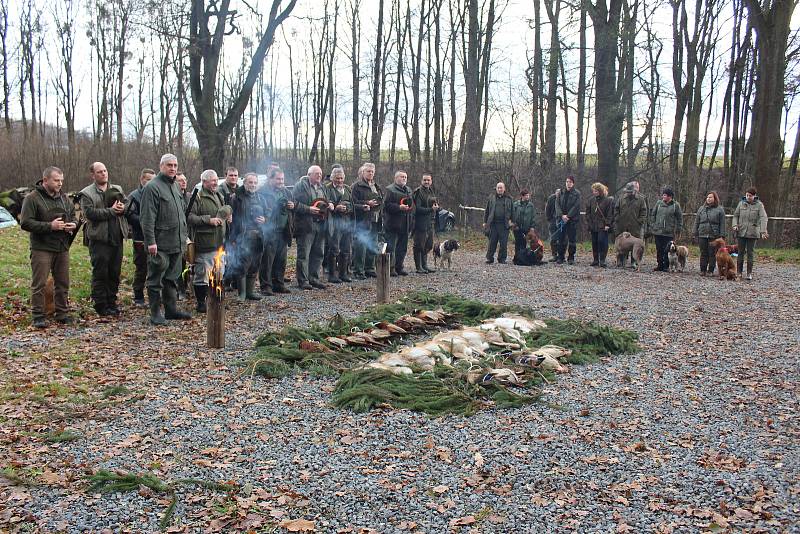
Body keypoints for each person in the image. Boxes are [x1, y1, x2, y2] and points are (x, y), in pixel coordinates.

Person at [20, 166, 77, 328]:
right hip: (41, 248)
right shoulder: (32, 198)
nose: (60, 184)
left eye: (61, 181)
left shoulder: (64, 198)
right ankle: (38, 315)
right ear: (45, 180)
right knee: (40, 283)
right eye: (56, 180)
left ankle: (62, 313)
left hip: (62, 246)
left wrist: (72, 224)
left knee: (62, 282)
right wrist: (50, 226)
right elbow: (25, 223)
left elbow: (72, 215)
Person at [140, 153, 192, 325]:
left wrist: (184, 237)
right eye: (169, 165)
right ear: (161, 166)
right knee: (155, 279)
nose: (173, 168)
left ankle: (171, 310)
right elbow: (147, 218)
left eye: (175, 165)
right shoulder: (152, 188)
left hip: (176, 242)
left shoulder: (176, 186)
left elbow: (181, 214)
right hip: (160, 244)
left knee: (172, 277)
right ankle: (155, 313)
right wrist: (151, 241)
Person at [79, 162, 129, 316]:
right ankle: (100, 304)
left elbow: (126, 203)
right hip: (99, 238)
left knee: (114, 272)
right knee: (101, 272)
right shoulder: (86, 193)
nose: (103, 174)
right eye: (99, 172)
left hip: (117, 236)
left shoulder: (117, 189)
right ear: (93, 175)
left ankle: (111, 301)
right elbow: (90, 214)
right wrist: (111, 211)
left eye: (105, 171)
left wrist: (122, 209)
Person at [187, 170, 228, 312]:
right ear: (204, 182)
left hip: (219, 243)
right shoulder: (196, 196)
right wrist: (208, 220)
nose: (215, 183)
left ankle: (216, 301)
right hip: (204, 243)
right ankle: (201, 303)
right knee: (203, 275)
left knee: (219, 272)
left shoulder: (219, 195)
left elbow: (223, 212)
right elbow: (189, 217)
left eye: (216, 180)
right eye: (212, 180)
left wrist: (228, 217)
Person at [293, 165, 332, 289]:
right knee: (304, 254)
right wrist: (308, 209)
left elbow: (327, 201)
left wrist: (330, 204)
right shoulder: (300, 186)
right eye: (316, 174)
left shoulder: (323, 187)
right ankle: (303, 281)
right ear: (309, 174)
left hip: (321, 225)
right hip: (305, 225)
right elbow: (294, 204)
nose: (319, 176)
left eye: (320, 174)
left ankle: (314, 278)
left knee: (318, 253)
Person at [230, 172, 268, 300]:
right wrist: (233, 238)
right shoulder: (236, 197)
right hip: (243, 236)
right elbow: (232, 219)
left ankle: (250, 293)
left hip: (258, 236)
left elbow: (268, 213)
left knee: (255, 264)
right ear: (245, 183)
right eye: (250, 182)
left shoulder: (261, 198)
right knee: (242, 265)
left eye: (255, 183)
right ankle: (241, 294)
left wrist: (265, 219)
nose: (253, 185)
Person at [259, 167, 294, 294]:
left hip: (283, 231)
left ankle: (279, 284)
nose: (281, 181)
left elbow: (292, 205)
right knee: (268, 260)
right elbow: (260, 209)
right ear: (270, 179)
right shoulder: (262, 192)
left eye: (282, 179)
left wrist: (292, 206)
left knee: (281, 259)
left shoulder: (286, 191)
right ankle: (266, 286)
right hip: (269, 231)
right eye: (278, 179)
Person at [125, 168, 155, 306]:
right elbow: (129, 215)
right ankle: (138, 296)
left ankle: (154, 295)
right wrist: (146, 221)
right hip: (140, 237)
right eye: (148, 179)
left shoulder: (156, 194)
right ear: (141, 179)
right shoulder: (134, 196)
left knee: (155, 267)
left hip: (156, 237)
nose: (150, 182)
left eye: (153, 180)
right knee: (141, 268)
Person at [351, 163, 383, 279]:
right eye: (368, 171)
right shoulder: (356, 186)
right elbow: (352, 203)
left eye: (372, 171)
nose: (371, 173)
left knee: (372, 245)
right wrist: (365, 204)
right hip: (362, 221)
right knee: (361, 246)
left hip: (375, 220)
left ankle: (369, 268)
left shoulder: (376, 186)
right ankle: (358, 270)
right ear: (363, 172)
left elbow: (380, 200)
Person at [732, 187, 768, 281]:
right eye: (747, 195)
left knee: (750, 253)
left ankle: (749, 273)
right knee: (740, 252)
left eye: (750, 196)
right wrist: (735, 225)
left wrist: (763, 231)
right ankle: (739, 272)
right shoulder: (741, 203)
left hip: (753, 232)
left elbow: (763, 218)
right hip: (741, 232)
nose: (748, 197)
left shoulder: (759, 205)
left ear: (754, 196)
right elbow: (736, 215)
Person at [325, 167, 354, 283]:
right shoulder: (327, 188)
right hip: (334, 223)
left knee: (346, 249)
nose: (340, 180)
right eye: (337, 178)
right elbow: (325, 203)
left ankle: (343, 274)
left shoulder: (347, 189)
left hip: (347, 223)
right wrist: (336, 207)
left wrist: (347, 208)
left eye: (341, 178)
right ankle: (332, 275)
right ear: (332, 178)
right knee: (334, 249)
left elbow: (352, 205)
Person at [383, 170, 413, 276]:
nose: (404, 179)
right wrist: (398, 207)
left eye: (405, 177)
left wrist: (409, 210)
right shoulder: (389, 189)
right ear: (396, 178)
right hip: (393, 223)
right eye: (402, 177)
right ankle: (391, 269)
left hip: (405, 224)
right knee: (391, 247)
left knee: (402, 248)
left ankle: (399, 267)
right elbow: (385, 205)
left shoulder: (409, 190)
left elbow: (411, 205)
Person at [613, 182, 648, 268]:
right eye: (627, 191)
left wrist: (640, 221)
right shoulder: (621, 198)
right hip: (622, 225)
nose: (628, 193)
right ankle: (621, 262)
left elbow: (644, 211)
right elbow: (616, 209)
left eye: (630, 191)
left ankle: (634, 262)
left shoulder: (640, 199)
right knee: (622, 245)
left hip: (635, 226)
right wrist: (617, 219)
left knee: (635, 245)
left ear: (634, 191)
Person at [693, 191, 726, 276]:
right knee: (703, 252)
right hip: (702, 234)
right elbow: (697, 221)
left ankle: (710, 270)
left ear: (715, 198)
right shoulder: (701, 209)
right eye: (707, 197)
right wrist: (695, 232)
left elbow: (722, 223)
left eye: (710, 197)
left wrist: (722, 235)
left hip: (714, 235)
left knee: (712, 253)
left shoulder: (720, 209)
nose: (708, 199)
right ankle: (702, 269)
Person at [650, 187, 683, 272]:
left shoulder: (676, 205)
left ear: (670, 196)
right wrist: (653, 225)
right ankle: (659, 265)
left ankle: (666, 266)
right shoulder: (659, 203)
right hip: (658, 231)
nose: (663, 196)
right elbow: (653, 214)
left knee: (667, 249)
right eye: (663, 195)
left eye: (665, 195)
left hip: (668, 232)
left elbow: (679, 218)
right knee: (659, 249)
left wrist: (678, 229)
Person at [412, 172, 438, 274]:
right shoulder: (418, 192)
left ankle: (425, 265)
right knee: (419, 245)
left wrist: (436, 208)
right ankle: (419, 267)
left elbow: (433, 204)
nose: (426, 182)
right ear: (421, 181)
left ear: (431, 181)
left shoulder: (431, 191)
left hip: (429, 222)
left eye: (428, 180)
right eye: (425, 180)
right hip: (420, 222)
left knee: (428, 245)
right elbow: (417, 209)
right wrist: (431, 209)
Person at [483, 182, 513, 264]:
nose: (500, 189)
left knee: (503, 243)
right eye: (498, 188)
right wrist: (485, 222)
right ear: (496, 189)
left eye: (501, 188)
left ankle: (502, 259)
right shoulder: (491, 198)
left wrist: (512, 221)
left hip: (504, 224)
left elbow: (512, 211)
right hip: (493, 224)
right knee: (492, 242)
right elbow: (487, 210)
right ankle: (489, 258)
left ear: (504, 189)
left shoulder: (509, 199)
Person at [586, 182, 614, 268]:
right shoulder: (591, 200)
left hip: (603, 225)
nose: (594, 192)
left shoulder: (608, 200)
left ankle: (602, 260)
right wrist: (589, 223)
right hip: (593, 225)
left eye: (596, 191)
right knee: (594, 242)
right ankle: (595, 260)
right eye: (593, 191)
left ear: (600, 191)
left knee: (602, 242)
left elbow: (610, 213)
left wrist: (608, 224)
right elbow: (588, 212)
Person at [556, 175, 581, 265]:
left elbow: (576, 206)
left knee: (572, 240)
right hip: (561, 219)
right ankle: (560, 257)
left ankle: (571, 257)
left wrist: (568, 216)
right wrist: (562, 215)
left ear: (573, 183)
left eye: (570, 182)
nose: (568, 183)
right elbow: (557, 205)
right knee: (561, 239)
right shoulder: (561, 193)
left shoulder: (577, 193)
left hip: (572, 220)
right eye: (567, 182)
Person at [512, 189, 536, 264]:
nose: (527, 197)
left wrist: (532, 227)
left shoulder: (531, 205)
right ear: (522, 196)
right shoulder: (516, 204)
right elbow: (512, 214)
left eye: (528, 195)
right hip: (517, 227)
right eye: (526, 195)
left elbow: (533, 217)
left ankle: (523, 258)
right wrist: (513, 224)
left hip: (527, 228)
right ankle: (516, 258)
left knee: (524, 243)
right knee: (518, 242)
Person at [544, 188, 560, 262]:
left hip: (561, 221)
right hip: (552, 221)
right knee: (553, 239)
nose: (558, 195)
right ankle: (554, 255)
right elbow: (547, 209)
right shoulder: (551, 198)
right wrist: (549, 219)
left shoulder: (563, 198)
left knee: (562, 239)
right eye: (557, 193)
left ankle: (561, 255)